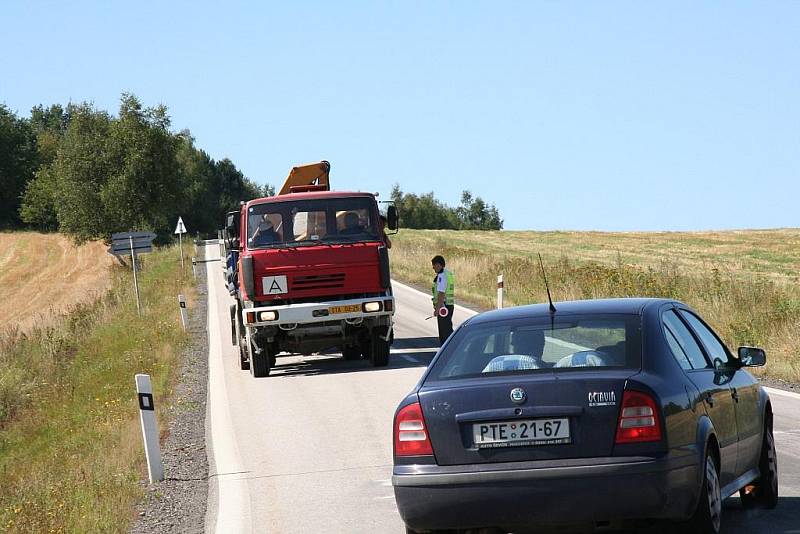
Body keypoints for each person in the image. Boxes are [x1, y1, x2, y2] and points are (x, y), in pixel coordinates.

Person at [431, 255, 455, 345]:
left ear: (439, 265)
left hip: (443, 307)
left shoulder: (442, 276)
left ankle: (447, 352)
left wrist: (437, 309)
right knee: (448, 329)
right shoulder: (447, 273)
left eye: (434, 265)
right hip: (449, 305)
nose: (433, 268)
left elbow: (441, 294)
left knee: (444, 333)